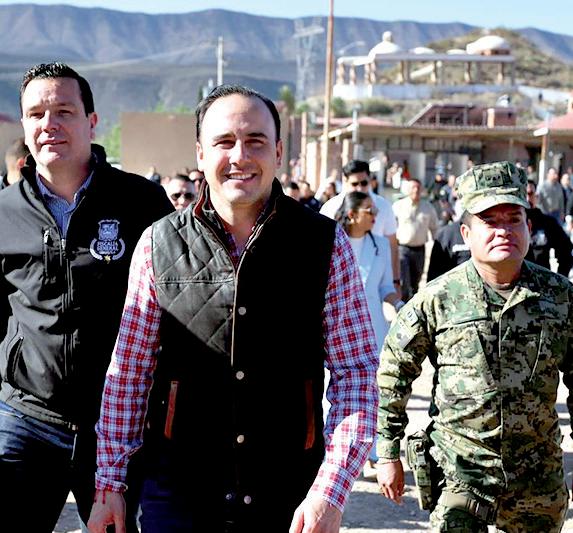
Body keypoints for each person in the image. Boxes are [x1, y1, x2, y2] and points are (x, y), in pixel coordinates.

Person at [88, 84, 378, 533]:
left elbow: (355, 372)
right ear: (200, 154)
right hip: (181, 495)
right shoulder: (157, 244)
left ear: (278, 152)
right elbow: (129, 372)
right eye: (224, 141)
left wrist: (330, 490)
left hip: (289, 494)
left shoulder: (324, 243)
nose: (240, 156)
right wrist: (111, 482)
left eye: (255, 141)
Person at [0, 62, 173, 532]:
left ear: (91, 122)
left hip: (117, 426)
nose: (49, 124)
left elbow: (175, 307)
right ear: (24, 124)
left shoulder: (143, 203)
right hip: (27, 417)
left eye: (64, 111)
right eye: (36, 114)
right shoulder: (4, 212)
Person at [376, 161, 573, 532]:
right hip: (460, 472)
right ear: (466, 233)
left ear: (529, 228)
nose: (503, 231)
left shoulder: (560, 297)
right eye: (489, 221)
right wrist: (387, 451)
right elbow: (394, 372)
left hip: (536, 476)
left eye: (513, 219)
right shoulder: (437, 298)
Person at [320, 159, 400, 294]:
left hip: (373, 283)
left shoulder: (383, 206)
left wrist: (395, 280)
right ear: (345, 181)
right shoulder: (330, 208)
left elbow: (392, 245)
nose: (360, 188)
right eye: (354, 184)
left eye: (364, 183)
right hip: (339, 282)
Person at [392, 178, 439, 301]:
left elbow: (434, 228)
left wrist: (437, 246)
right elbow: (390, 228)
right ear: (408, 190)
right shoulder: (398, 206)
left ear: (422, 190)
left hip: (420, 250)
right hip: (403, 249)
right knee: (404, 281)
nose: (416, 190)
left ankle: (413, 306)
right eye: (413, 187)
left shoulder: (428, 207)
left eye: (418, 188)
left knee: (416, 282)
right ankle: (403, 305)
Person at [525, 179, 573, 275]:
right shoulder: (507, 226)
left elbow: (566, 250)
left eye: (530, 194)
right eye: (522, 194)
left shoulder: (547, 223)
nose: (526, 199)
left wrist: (559, 279)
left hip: (541, 280)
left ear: (536, 197)